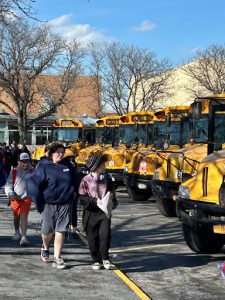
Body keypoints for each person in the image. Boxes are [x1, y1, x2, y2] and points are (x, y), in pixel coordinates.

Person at [28, 142, 75, 269]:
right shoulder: (43, 167)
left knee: (61, 229)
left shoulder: (67, 165)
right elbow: (33, 184)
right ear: (51, 154)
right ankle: (45, 246)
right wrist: (38, 201)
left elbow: (75, 179)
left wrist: (74, 192)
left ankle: (57, 258)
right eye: (58, 152)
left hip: (64, 203)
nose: (60, 154)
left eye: (62, 152)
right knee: (47, 231)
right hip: (48, 204)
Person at [79, 154, 117, 270]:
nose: (105, 166)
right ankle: (96, 260)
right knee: (92, 237)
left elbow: (111, 192)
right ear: (96, 166)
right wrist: (95, 200)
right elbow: (82, 198)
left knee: (105, 235)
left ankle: (105, 258)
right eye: (103, 164)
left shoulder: (107, 178)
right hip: (91, 212)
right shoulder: (85, 180)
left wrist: (111, 199)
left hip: (104, 212)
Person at [5, 152, 33, 246]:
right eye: (23, 162)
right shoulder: (14, 172)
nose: (25, 164)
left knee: (24, 215)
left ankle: (24, 237)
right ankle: (17, 231)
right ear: (18, 162)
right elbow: (8, 185)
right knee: (16, 217)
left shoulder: (32, 171)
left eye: (27, 161)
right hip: (15, 198)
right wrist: (10, 193)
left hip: (26, 198)